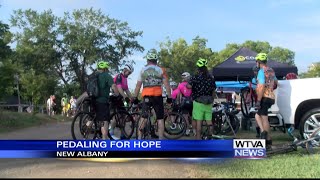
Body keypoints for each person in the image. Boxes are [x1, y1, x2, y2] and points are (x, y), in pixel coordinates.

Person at [133, 50, 172, 140]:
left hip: (146, 96)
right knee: (160, 118)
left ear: (147, 61)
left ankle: (139, 138)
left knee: (144, 116)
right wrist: (169, 97)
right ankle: (161, 139)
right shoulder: (161, 70)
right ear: (156, 61)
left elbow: (138, 85)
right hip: (157, 95)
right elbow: (166, 84)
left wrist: (135, 97)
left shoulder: (142, 70)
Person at [187, 58, 216, 140]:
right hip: (209, 102)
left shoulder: (195, 77)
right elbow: (213, 90)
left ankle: (198, 139)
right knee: (209, 121)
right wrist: (212, 99)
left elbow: (188, 86)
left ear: (198, 67)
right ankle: (211, 136)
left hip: (198, 102)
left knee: (199, 121)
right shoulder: (211, 77)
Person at [90, 61, 120, 140]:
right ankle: (104, 139)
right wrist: (117, 94)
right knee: (105, 120)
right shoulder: (106, 75)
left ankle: (85, 131)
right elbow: (113, 86)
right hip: (102, 100)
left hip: (92, 99)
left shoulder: (93, 75)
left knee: (94, 117)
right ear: (105, 68)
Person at [254, 53, 278, 150]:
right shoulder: (271, 70)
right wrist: (271, 87)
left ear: (259, 62)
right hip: (271, 97)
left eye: (256, 61)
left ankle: (268, 140)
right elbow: (277, 82)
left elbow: (261, 86)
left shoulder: (261, 71)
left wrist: (258, 100)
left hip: (264, 97)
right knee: (257, 115)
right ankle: (263, 132)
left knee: (264, 118)